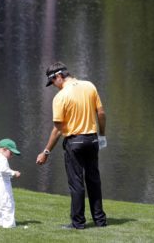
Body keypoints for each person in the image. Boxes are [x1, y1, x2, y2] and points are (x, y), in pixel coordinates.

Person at [36, 61, 107, 229]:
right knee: (94, 181)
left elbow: (58, 130)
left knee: (76, 183)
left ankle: (78, 223)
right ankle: (100, 220)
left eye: (53, 81)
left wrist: (46, 152)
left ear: (59, 76)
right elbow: (101, 113)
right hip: (92, 140)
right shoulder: (89, 86)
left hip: (74, 142)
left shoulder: (60, 97)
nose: (53, 85)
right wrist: (102, 135)